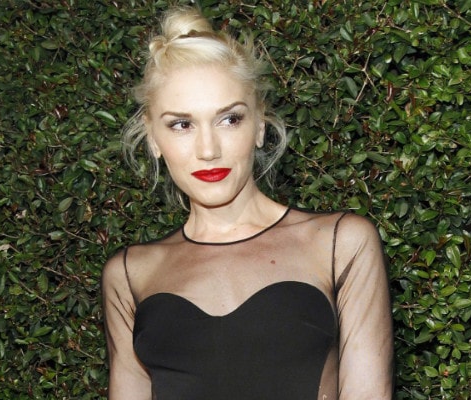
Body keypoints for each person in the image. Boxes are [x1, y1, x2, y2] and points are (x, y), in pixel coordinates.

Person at [102, 6, 394, 399]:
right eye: (182, 125)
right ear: (153, 137)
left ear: (259, 124)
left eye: (229, 119)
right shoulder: (130, 273)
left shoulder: (340, 243)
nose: (208, 150)